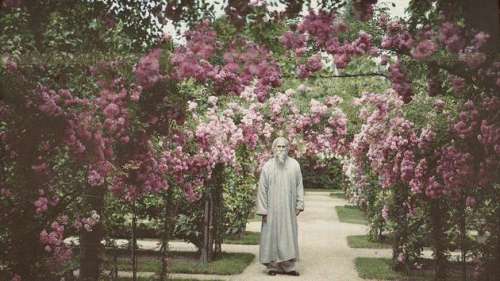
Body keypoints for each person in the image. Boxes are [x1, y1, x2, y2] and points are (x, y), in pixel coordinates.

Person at [256, 136, 304, 276]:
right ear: (274, 148)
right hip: (271, 209)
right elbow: (262, 189)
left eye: (284, 147)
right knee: (271, 235)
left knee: (288, 235)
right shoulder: (268, 166)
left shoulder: (294, 165)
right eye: (279, 146)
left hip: (288, 209)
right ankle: (273, 266)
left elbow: (299, 185)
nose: (281, 149)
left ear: (288, 149)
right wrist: (263, 209)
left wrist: (299, 203)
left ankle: (289, 267)